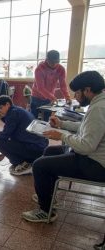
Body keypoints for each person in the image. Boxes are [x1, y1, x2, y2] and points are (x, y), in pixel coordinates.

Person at [22, 71, 105, 223]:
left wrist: (61, 135)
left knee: (40, 165)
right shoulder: (99, 102)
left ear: (87, 90)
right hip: (92, 157)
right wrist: (62, 124)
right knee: (50, 151)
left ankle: (46, 211)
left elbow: (86, 146)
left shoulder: (99, 108)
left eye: (77, 93)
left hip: (96, 165)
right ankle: (48, 195)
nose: (75, 97)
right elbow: (86, 127)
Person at [0, 95, 49, 175]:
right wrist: (4, 153)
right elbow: (12, 135)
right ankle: (26, 161)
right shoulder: (18, 110)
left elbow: (5, 135)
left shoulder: (12, 114)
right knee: (5, 139)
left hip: (34, 149)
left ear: (7, 104)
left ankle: (24, 164)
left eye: (0, 107)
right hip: (39, 147)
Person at [30, 50, 71, 120]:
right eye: (52, 62)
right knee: (33, 119)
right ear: (47, 59)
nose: (54, 65)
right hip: (36, 97)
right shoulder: (39, 69)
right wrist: (52, 97)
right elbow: (41, 88)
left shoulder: (61, 69)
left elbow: (63, 85)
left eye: (56, 62)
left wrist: (67, 97)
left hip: (49, 98)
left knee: (47, 119)